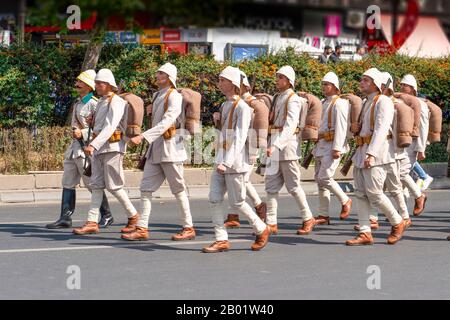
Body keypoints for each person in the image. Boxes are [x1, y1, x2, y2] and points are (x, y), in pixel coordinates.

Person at [122, 63, 196, 241]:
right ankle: (142, 228)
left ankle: (188, 227)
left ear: (169, 78)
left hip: (171, 149)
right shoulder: (157, 96)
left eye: (161, 73)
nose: (157, 75)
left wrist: (143, 137)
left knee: (178, 189)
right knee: (145, 188)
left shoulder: (174, 96)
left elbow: (167, 122)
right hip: (156, 150)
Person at [202, 66, 270, 253]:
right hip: (221, 158)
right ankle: (221, 239)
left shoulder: (243, 108)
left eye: (222, 80)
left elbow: (240, 137)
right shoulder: (225, 105)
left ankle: (261, 228)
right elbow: (225, 134)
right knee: (214, 199)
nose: (219, 83)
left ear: (232, 83)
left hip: (236, 162)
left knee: (238, 202)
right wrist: (218, 121)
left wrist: (227, 161)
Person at [73, 69, 139, 235]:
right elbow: (101, 125)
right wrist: (92, 121)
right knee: (96, 185)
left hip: (113, 148)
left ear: (109, 84)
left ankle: (133, 216)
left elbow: (110, 126)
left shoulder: (116, 101)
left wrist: (93, 145)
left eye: (99, 83)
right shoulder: (102, 101)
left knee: (114, 186)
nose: (96, 86)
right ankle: (92, 222)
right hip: (100, 149)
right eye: (96, 83)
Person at [46, 70, 113, 229]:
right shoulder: (78, 103)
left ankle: (107, 215)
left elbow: (101, 128)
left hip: (86, 149)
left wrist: (82, 133)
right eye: (77, 80)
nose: (77, 83)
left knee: (91, 183)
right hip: (74, 148)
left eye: (81, 81)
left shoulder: (95, 103)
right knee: (67, 182)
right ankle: (65, 218)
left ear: (89, 86)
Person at [346, 68, 406, 246]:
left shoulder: (384, 101)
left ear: (375, 84)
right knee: (361, 194)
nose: (361, 82)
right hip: (362, 150)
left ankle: (397, 221)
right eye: (362, 79)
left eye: (365, 80)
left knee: (374, 193)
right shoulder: (367, 101)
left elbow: (381, 130)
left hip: (376, 153)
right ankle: (365, 232)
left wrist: (371, 153)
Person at [265, 66, 316, 235]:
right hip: (275, 145)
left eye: (280, 77)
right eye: (277, 76)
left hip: (287, 148)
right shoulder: (277, 97)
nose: (277, 79)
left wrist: (276, 145)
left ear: (288, 81)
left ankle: (308, 218)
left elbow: (290, 126)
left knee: (293, 187)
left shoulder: (293, 99)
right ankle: (271, 222)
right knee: (271, 187)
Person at [223, 70, 267, 229]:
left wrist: (255, 150)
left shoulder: (252, 103)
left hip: (248, 147)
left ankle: (257, 206)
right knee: (235, 182)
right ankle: (236, 214)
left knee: (241, 181)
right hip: (234, 147)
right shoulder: (233, 102)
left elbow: (258, 128)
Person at [313, 72, 352, 225]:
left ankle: (345, 199)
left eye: (327, 84)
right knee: (319, 181)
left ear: (335, 87)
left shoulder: (340, 103)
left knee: (324, 177)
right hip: (321, 144)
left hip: (332, 145)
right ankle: (323, 215)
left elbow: (342, 127)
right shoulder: (323, 102)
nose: (324, 87)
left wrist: (337, 148)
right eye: (323, 84)